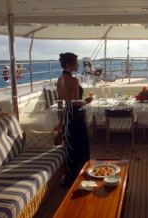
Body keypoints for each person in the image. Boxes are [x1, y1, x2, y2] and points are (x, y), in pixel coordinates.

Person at [55, 52, 93, 187]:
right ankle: (80, 177)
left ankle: (70, 178)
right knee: (80, 147)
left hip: (66, 117)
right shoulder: (74, 80)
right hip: (76, 117)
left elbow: (60, 103)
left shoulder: (59, 79)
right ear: (68, 65)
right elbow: (76, 102)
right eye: (76, 63)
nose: (78, 65)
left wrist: (60, 122)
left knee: (71, 148)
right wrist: (87, 101)